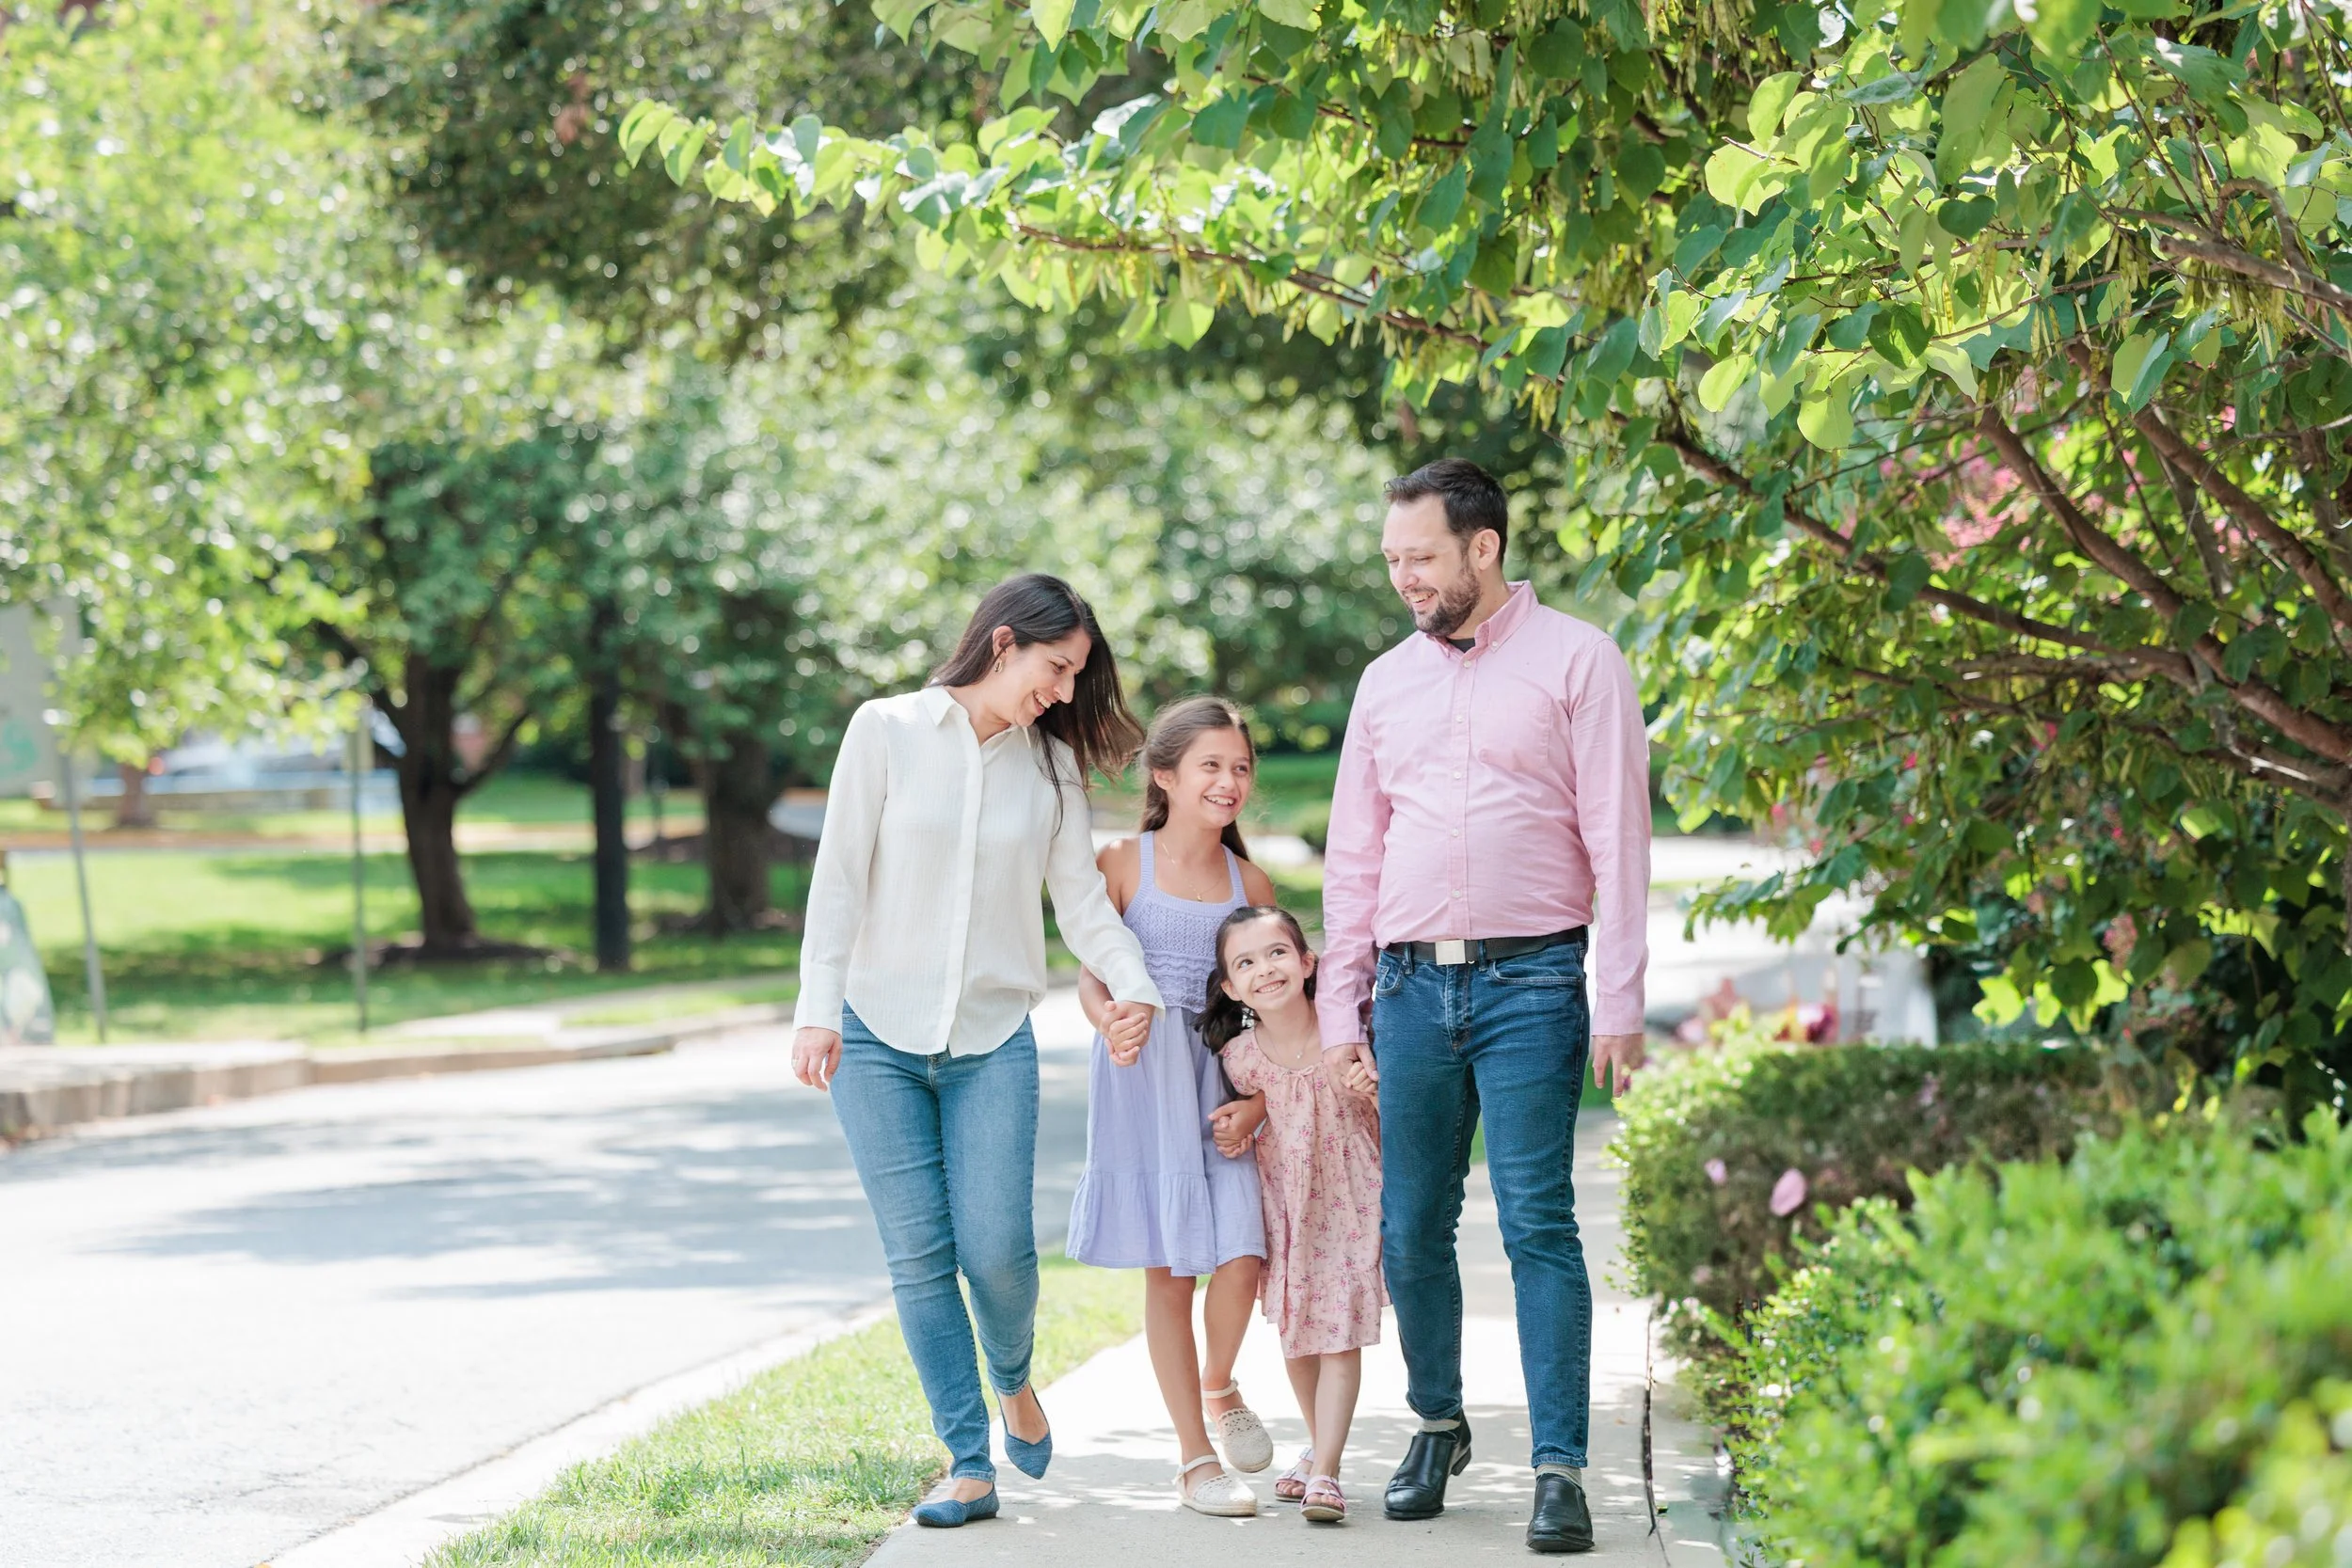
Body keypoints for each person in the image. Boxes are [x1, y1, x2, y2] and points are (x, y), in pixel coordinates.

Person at [1318, 458, 1651, 1555]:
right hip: (1409, 988)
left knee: (1534, 1219)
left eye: (1420, 556)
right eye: (1392, 559)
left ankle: (1559, 1464)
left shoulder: (1579, 659)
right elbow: (1354, 857)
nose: (1404, 577)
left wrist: (1621, 1000)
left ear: (1483, 546)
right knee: (1408, 1225)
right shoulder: (1381, 680)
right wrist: (1339, 1011)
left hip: (1533, 981)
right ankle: (1436, 1421)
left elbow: (1618, 833)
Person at [789, 573, 1165, 1529]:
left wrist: (1134, 986)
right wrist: (815, 1006)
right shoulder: (885, 729)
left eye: (1077, 675)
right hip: (874, 1032)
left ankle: (1011, 1376)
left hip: (992, 1036)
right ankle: (965, 1457)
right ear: (1002, 642)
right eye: (1055, 668)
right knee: (918, 1256)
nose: (1063, 691)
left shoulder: (1050, 770)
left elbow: (1082, 901)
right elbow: (837, 877)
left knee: (997, 1250)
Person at [1066, 696, 1281, 1516]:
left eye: (1240, 766)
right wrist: (1105, 1016)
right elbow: (1092, 966)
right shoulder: (1124, 862)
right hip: (1143, 1080)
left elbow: (1276, 1004)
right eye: (1211, 766)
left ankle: (1220, 1382)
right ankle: (1194, 1458)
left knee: (1242, 1253)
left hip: (1220, 1084)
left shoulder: (1248, 881)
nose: (1230, 781)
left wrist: (1259, 1098)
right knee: (1170, 1272)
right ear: (1165, 775)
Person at [1201, 904, 1385, 1525]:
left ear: (1308, 962)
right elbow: (1255, 1107)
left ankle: (1327, 1469)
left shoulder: (1351, 1035)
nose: (1265, 969)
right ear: (1230, 986)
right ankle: (1316, 1448)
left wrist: (1373, 1088)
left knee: (1339, 1335)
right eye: (1245, 962)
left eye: (1277, 952)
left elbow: (1394, 1107)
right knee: (1299, 1332)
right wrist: (1244, 1116)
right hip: (1288, 1211)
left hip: (1352, 1200)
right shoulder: (1241, 1058)